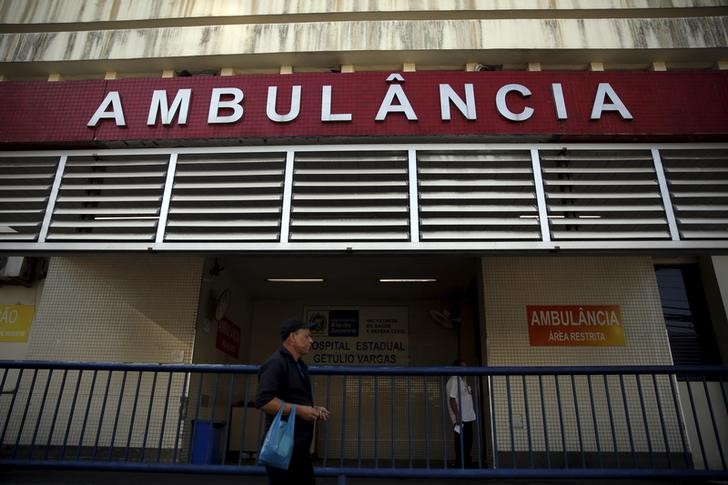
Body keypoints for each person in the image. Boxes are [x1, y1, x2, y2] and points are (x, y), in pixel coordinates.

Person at [255, 318, 331, 485]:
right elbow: (264, 401)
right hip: (282, 446)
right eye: (306, 336)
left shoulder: (299, 365)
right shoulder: (276, 363)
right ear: (291, 338)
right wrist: (301, 410)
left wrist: (313, 409)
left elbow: (294, 400)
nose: (311, 340)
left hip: (298, 447)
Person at [446, 359, 476, 468]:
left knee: (467, 443)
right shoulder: (455, 380)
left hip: (467, 417)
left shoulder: (462, 380)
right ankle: (461, 466)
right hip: (461, 418)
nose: (466, 369)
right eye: (464, 366)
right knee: (462, 444)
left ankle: (465, 465)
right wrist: (457, 416)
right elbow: (452, 399)